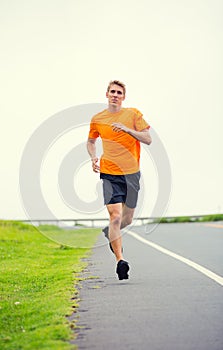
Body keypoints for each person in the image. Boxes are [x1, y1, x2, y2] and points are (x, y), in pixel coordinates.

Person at [87, 80, 152, 280]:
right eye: (112, 92)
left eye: (119, 93)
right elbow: (90, 141)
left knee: (127, 219)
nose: (115, 95)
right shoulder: (98, 119)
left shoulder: (133, 115)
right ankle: (120, 260)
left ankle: (110, 232)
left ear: (123, 97)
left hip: (131, 173)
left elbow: (148, 138)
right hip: (109, 172)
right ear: (106, 94)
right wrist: (93, 156)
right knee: (115, 216)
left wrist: (127, 130)